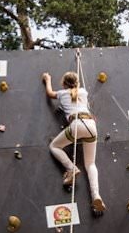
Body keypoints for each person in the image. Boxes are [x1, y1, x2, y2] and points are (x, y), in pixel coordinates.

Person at [43, 71, 106, 215]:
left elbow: (50, 93)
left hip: (77, 124)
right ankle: (96, 195)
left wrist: (47, 79)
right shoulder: (83, 92)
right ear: (77, 83)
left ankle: (71, 168)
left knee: (54, 146)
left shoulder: (62, 93)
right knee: (90, 163)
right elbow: (76, 92)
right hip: (91, 125)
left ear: (64, 84)